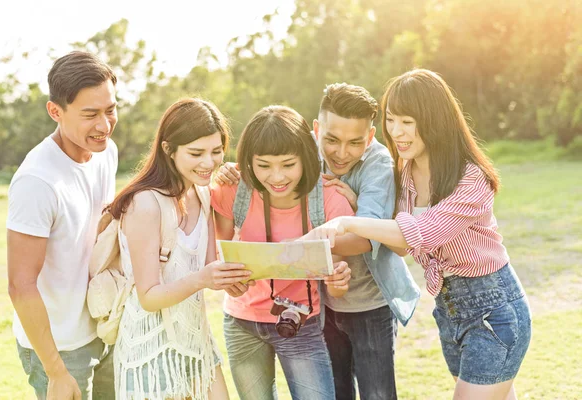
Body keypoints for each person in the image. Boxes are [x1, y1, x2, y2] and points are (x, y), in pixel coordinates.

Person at [308, 69, 532, 400]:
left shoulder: (472, 180)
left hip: (493, 311)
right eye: (392, 120)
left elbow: (422, 234)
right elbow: (400, 247)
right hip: (449, 310)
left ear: (434, 120)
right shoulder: (407, 173)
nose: (396, 132)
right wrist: (356, 209)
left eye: (407, 121)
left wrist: (347, 223)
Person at [216, 84, 420, 400]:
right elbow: (270, 153)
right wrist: (233, 169)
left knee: (377, 392)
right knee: (338, 390)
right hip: (322, 302)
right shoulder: (302, 150)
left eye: (355, 142)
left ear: (369, 136)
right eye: (331, 140)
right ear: (316, 130)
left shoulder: (377, 165)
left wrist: (297, 249)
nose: (341, 152)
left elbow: (368, 239)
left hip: (367, 298)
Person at [105, 98, 250, 399]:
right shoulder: (145, 203)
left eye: (216, 151)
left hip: (195, 343)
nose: (209, 163)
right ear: (169, 150)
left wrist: (231, 280)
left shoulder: (204, 193)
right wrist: (204, 279)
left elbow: (210, 263)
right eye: (196, 153)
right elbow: (149, 297)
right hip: (149, 349)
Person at [211, 105, 352, 400]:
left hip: (301, 322)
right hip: (241, 323)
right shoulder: (232, 190)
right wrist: (228, 278)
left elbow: (337, 286)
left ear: (306, 158)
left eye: (288, 164)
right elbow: (214, 254)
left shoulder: (329, 200)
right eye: (263, 165)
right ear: (248, 161)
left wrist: (338, 282)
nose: (276, 177)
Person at [7, 51, 119, 400]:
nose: (104, 125)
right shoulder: (37, 181)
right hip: (60, 349)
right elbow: (20, 285)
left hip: (104, 329)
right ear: (55, 111)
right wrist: (55, 371)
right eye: (90, 115)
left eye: (110, 110)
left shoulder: (106, 152)